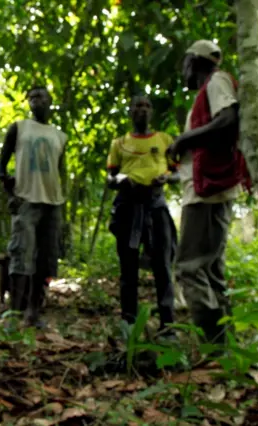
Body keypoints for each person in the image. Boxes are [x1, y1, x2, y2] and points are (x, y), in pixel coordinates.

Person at [169, 40, 251, 345]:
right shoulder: (209, 90)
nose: (183, 72)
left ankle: (214, 345)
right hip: (209, 190)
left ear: (194, 61)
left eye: (184, 64)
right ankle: (226, 345)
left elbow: (228, 119)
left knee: (189, 268)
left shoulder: (215, 81)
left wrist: (182, 140)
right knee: (212, 269)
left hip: (205, 194)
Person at [106, 94, 180, 342]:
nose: (142, 109)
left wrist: (166, 178)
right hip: (128, 206)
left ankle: (168, 325)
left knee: (162, 267)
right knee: (128, 268)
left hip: (156, 206)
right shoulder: (119, 143)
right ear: (130, 111)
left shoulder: (164, 140)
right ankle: (129, 324)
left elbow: (178, 173)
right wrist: (123, 179)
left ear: (152, 112)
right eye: (137, 105)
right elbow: (110, 179)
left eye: (147, 106)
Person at [0, 86, 67, 328]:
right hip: (26, 200)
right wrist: (10, 192)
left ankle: (33, 312)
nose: (36, 100)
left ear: (50, 100)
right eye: (32, 97)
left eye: (41, 96)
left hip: (52, 204)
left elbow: (61, 172)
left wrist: (62, 204)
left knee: (46, 259)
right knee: (21, 254)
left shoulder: (60, 135)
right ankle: (14, 316)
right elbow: (2, 164)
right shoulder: (19, 128)